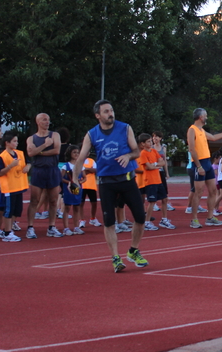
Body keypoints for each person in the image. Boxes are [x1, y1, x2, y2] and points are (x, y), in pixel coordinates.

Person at [72, 100, 150, 273]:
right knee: (109, 221)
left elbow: (136, 151)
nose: (111, 114)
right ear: (98, 115)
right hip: (106, 182)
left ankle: (133, 250)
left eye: (112, 110)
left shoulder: (125, 128)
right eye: (106, 111)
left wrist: (128, 156)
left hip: (127, 179)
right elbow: (81, 158)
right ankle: (115, 257)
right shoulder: (92, 134)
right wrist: (74, 179)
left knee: (140, 217)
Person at [187, 108, 222, 228]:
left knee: (213, 191)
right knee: (198, 192)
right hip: (198, 163)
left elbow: (214, 138)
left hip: (207, 162)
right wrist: (199, 166)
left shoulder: (201, 130)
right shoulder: (192, 130)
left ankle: (210, 217)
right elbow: (192, 149)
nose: (207, 118)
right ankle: (194, 219)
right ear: (200, 117)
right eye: (205, 116)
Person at [26, 113, 63, 237]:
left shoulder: (55, 135)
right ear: (38, 122)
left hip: (52, 170)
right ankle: (30, 227)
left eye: (48, 119)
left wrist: (39, 151)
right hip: (38, 170)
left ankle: (51, 226)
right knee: (34, 200)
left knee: (53, 200)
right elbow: (30, 153)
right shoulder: (31, 138)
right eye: (44, 120)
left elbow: (57, 150)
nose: (47, 122)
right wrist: (45, 145)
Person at [0, 131, 30, 242]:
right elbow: (0, 172)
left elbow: (28, 162)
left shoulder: (19, 153)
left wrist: (28, 166)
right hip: (9, 187)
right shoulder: (2, 157)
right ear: (7, 143)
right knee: (8, 210)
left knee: (16, 210)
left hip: (18, 186)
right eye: (14, 141)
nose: (16, 143)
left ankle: (9, 229)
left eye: (16, 141)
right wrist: (10, 166)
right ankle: (7, 232)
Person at [138, 133, 171, 230]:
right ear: (143, 144)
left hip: (158, 179)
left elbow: (162, 162)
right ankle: (147, 222)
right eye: (148, 141)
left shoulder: (153, 151)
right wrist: (156, 165)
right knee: (152, 201)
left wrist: (155, 164)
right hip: (150, 181)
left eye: (150, 140)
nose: (151, 142)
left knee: (164, 199)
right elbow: (148, 167)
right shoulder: (143, 153)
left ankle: (164, 219)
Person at [60, 145, 85, 235]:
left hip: (78, 189)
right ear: (69, 153)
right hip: (68, 189)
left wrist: (80, 181)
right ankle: (66, 228)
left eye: (78, 152)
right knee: (67, 207)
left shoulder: (80, 165)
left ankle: (76, 227)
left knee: (77, 208)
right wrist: (69, 182)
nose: (76, 154)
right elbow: (61, 178)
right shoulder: (66, 166)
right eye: (74, 152)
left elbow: (84, 178)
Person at [151, 131, 175, 215]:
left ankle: (166, 203)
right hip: (154, 171)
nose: (155, 138)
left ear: (160, 138)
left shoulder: (163, 147)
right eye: (154, 137)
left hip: (161, 171)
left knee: (164, 188)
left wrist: (167, 173)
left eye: (157, 137)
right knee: (155, 188)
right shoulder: (151, 147)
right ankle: (154, 204)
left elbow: (164, 160)